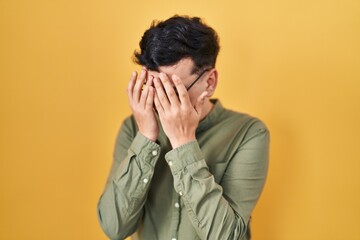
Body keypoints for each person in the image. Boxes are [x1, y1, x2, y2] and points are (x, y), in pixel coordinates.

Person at [97, 15, 270, 240]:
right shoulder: (133, 128)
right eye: (152, 85)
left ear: (209, 82)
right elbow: (114, 227)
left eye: (171, 89)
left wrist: (184, 143)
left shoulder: (249, 133)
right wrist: (145, 138)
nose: (159, 99)